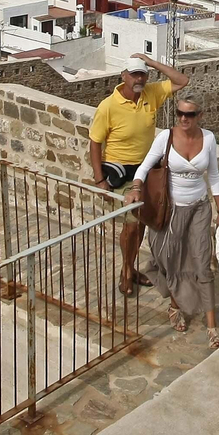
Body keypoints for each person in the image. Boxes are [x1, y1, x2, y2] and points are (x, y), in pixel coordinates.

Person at [127, 94, 219, 348]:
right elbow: (144, 166)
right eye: (180, 113)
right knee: (169, 259)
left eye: (190, 114)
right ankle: (175, 305)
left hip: (199, 209)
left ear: (200, 116)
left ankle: (212, 328)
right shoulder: (166, 137)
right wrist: (136, 187)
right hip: (171, 211)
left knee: (202, 263)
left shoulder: (209, 139)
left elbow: (213, 175)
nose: (184, 118)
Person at [88, 52, 189, 295]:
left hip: (146, 170)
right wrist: (100, 179)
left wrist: (152, 62)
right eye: (134, 74)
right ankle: (126, 271)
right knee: (132, 225)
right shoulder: (108, 106)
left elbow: (181, 81)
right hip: (120, 171)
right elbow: (94, 143)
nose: (139, 79)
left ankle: (130, 269)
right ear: (123, 76)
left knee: (142, 222)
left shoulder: (150, 94)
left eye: (142, 74)